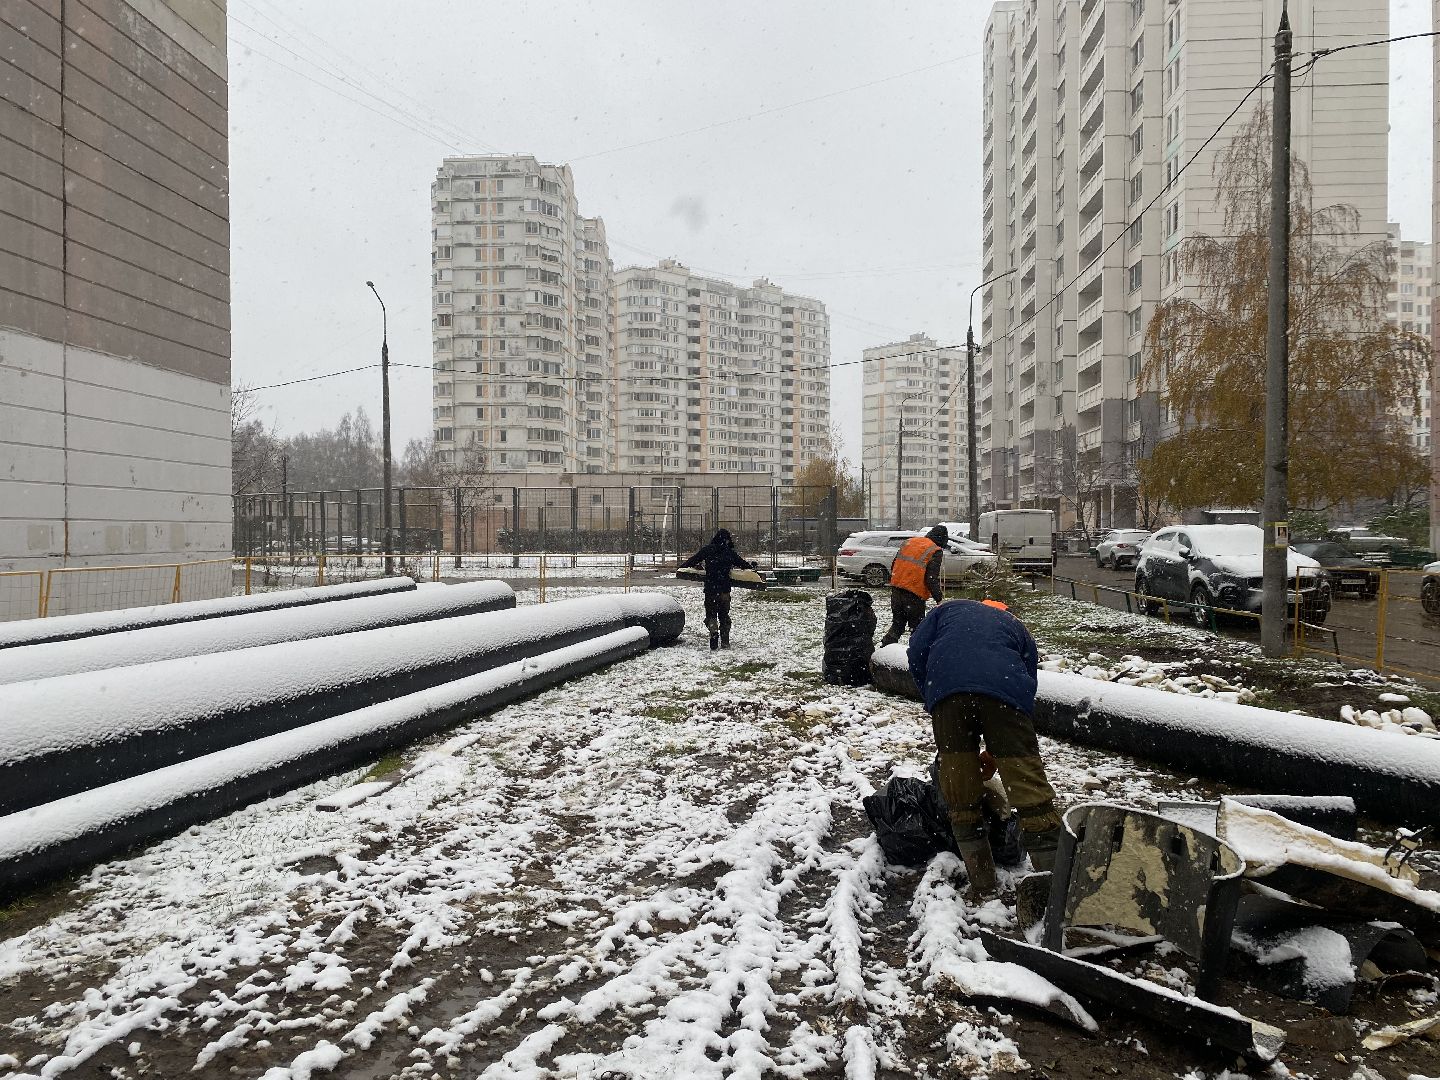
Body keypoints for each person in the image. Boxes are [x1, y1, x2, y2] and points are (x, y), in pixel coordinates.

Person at [907, 598, 1062, 897]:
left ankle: (983, 884)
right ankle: (1055, 888)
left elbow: (916, 651)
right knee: (1031, 791)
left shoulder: (945, 612)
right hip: (1006, 696)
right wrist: (1005, 742)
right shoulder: (1016, 627)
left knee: (960, 789)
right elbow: (1028, 679)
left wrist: (932, 694)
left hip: (948, 695)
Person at [681, 529, 758, 650]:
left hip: (710, 589)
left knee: (711, 615)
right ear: (727, 540)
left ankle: (713, 631)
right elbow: (743, 565)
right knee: (724, 616)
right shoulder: (729, 552)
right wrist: (752, 567)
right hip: (724, 590)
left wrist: (682, 567)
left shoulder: (708, 549)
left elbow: (693, 560)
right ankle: (725, 641)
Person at [879, 526, 948, 647]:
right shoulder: (935, 550)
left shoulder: (909, 542)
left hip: (897, 590)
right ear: (943, 540)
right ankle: (915, 660)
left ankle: (882, 652)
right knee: (917, 630)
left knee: (897, 625)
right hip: (914, 596)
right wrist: (939, 599)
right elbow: (931, 578)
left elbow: (894, 565)